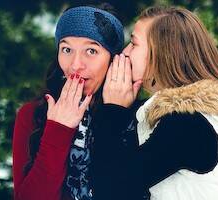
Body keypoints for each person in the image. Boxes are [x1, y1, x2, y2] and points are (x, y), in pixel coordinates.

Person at [92, 6, 218, 200]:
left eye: (133, 43)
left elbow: (110, 189)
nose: (125, 52)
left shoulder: (187, 125)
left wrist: (113, 110)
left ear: (162, 54)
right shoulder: (199, 118)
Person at [11, 4, 129, 200]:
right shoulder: (32, 115)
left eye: (91, 51)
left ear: (114, 59)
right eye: (66, 49)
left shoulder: (133, 113)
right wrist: (58, 129)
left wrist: (115, 114)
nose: (75, 65)